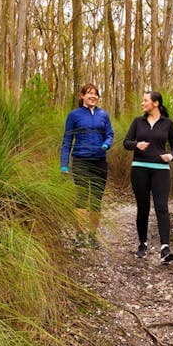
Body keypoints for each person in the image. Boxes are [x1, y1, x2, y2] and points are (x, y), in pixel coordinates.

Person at [123, 91, 173, 264]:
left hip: (161, 169)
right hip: (139, 168)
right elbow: (126, 142)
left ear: (155, 103)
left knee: (162, 207)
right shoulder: (137, 122)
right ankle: (142, 243)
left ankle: (165, 249)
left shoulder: (168, 123)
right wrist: (136, 145)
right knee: (143, 207)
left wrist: (171, 156)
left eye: (145, 100)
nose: (142, 103)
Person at [60, 83, 114, 246]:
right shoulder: (74, 115)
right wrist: (64, 164)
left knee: (96, 199)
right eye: (89, 93)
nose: (93, 96)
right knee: (82, 198)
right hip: (80, 161)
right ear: (82, 96)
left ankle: (92, 236)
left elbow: (110, 134)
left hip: (99, 161)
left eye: (96, 94)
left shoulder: (103, 115)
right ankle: (80, 235)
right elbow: (67, 140)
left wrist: (106, 144)